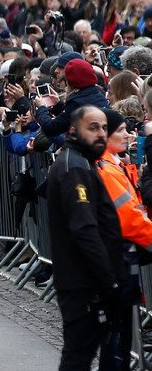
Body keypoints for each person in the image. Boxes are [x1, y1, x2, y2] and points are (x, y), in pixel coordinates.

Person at [46, 105, 126, 370]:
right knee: (77, 357)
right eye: (92, 128)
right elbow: (85, 229)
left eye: (104, 128)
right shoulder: (74, 168)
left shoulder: (82, 163)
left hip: (88, 281)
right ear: (73, 130)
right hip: (84, 284)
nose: (101, 133)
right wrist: (108, 282)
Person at [95, 109, 152, 369]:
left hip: (118, 256)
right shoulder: (107, 169)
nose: (128, 135)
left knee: (118, 334)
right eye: (120, 131)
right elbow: (129, 219)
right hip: (118, 258)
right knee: (118, 335)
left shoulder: (112, 165)